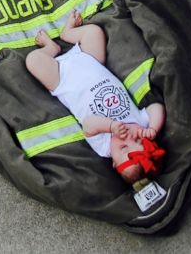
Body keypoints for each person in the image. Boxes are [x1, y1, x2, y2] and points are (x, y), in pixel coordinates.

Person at [25, 11, 167, 184]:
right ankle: (67, 33)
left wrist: (111, 126)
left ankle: (50, 48)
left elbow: (89, 124)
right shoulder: (141, 123)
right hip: (91, 61)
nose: (128, 138)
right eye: (138, 140)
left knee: (33, 60)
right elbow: (156, 107)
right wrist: (152, 127)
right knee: (94, 32)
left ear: (114, 162)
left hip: (64, 81)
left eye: (123, 147)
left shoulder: (104, 146)